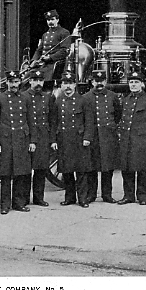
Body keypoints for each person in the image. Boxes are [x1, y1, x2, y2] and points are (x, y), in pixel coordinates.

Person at [0, 70, 37, 214]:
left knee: (20, 174)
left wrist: (32, 141)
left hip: (21, 141)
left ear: (20, 82)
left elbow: (31, 121)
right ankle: (5, 205)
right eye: (11, 82)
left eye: (16, 82)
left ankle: (18, 203)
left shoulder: (26, 99)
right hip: (5, 141)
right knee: (6, 175)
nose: (14, 85)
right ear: (7, 83)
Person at [116, 71, 146, 205]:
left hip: (142, 141)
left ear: (142, 84)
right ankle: (128, 196)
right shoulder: (126, 100)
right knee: (127, 169)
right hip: (127, 140)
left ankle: (142, 197)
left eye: (136, 82)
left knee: (142, 169)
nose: (133, 85)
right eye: (131, 82)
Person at [51, 72, 94, 208]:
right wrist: (53, 140)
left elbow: (89, 122)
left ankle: (83, 199)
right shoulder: (58, 101)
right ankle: (69, 198)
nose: (68, 87)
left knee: (81, 172)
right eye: (65, 84)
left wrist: (87, 137)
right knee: (67, 171)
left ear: (74, 85)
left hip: (79, 141)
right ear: (61, 86)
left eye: (70, 83)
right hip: (64, 140)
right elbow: (53, 123)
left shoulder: (83, 100)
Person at [83, 70, 122, 204]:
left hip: (108, 136)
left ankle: (107, 195)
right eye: (96, 81)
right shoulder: (86, 98)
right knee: (92, 167)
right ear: (92, 82)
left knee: (108, 168)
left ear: (105, 82)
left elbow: (118, 115)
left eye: (101, 81)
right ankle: (91, 194)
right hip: (93, 136)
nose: (99, 84)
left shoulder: (113, 96)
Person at [24, 69, 57, 207]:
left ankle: (38, 198)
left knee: (41, 169)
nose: (38, 83)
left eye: (40, 81)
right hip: (27, 137)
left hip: (43, 136)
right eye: (35, 80)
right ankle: (23, 199)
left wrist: (52, 139)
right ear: (30, 81)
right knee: (25, 170)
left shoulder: (48, 97)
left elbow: (53, 120)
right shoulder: (23, 96)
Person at [30, 9, 71, 89]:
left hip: (55, 64)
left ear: (57, 20)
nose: (50, 22)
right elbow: (39, 50)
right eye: (48, 20)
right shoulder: (45, 35)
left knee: (42, 78)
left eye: (52, 19)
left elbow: (64, 51)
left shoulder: (64, 32)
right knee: (28, 76)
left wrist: (50, 58)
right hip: (43, 64)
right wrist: (34, 61)